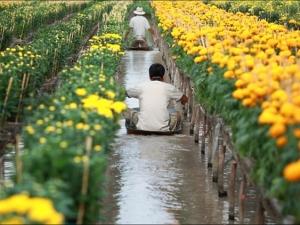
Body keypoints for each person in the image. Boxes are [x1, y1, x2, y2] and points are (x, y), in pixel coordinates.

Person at [125, 63, 188, 132]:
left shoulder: (141, 87)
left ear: (149, 76)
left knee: (130, 111)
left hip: (142, 127)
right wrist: (181, 103)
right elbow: (185, 99)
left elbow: (125, 93)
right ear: (163, 76)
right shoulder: (169, 87)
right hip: (163, 129)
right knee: (177, 115)